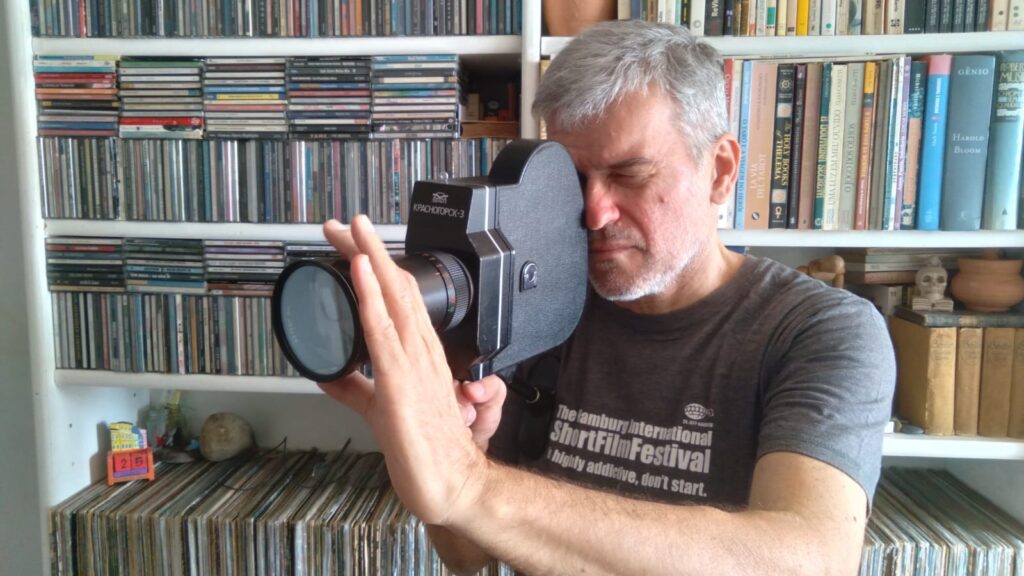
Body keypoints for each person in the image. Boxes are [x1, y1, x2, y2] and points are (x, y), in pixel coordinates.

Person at [319, 20, 896, 575]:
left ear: (720, 172)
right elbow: (468, 557)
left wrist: (471, 484)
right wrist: (437, 447)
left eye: (630, 174)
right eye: (573, 180)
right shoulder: (537, 301)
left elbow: (810, 560)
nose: (595, 213)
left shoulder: (821, 331)